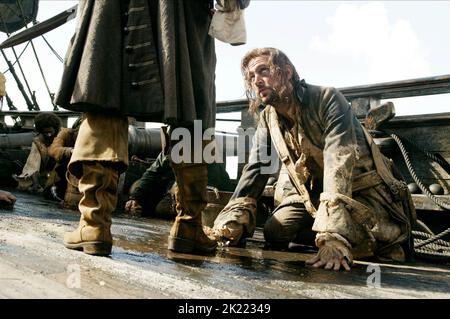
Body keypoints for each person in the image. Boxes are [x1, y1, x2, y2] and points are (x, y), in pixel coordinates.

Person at [55, 0, 248, 256]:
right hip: (178, 15)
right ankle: (188, 228)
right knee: (190, 113)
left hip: (110, 11)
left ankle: (94, 226)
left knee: (105, 102)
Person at [210, 47, 416, 271]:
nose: (257, 81)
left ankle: (347, 238)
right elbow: (257, 167)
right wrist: (231, 221)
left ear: (287, 72)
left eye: (263, 71)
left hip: (363, 194)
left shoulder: (327, 98)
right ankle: (330, 233)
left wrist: (334, 238)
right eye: (251, 77)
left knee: (380, 241)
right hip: (316, 197)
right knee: (275, 231)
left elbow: (339, 159)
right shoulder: (268, 117)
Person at [125, 151, 234, 217]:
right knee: (136, 187)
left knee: (162, 209)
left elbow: (211, 185)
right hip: (174, 185)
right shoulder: (171, 148)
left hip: (209, 193)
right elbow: (152, 172)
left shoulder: (207, 154)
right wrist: (135, 198)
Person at [15, 112, 61, 195]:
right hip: (45, 173)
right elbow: (33, 163)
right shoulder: (38, 142)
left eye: (50, 132)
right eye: (45, 133)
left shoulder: (62, 137)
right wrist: (35, 182)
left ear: (55, 129)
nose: (49, 135)